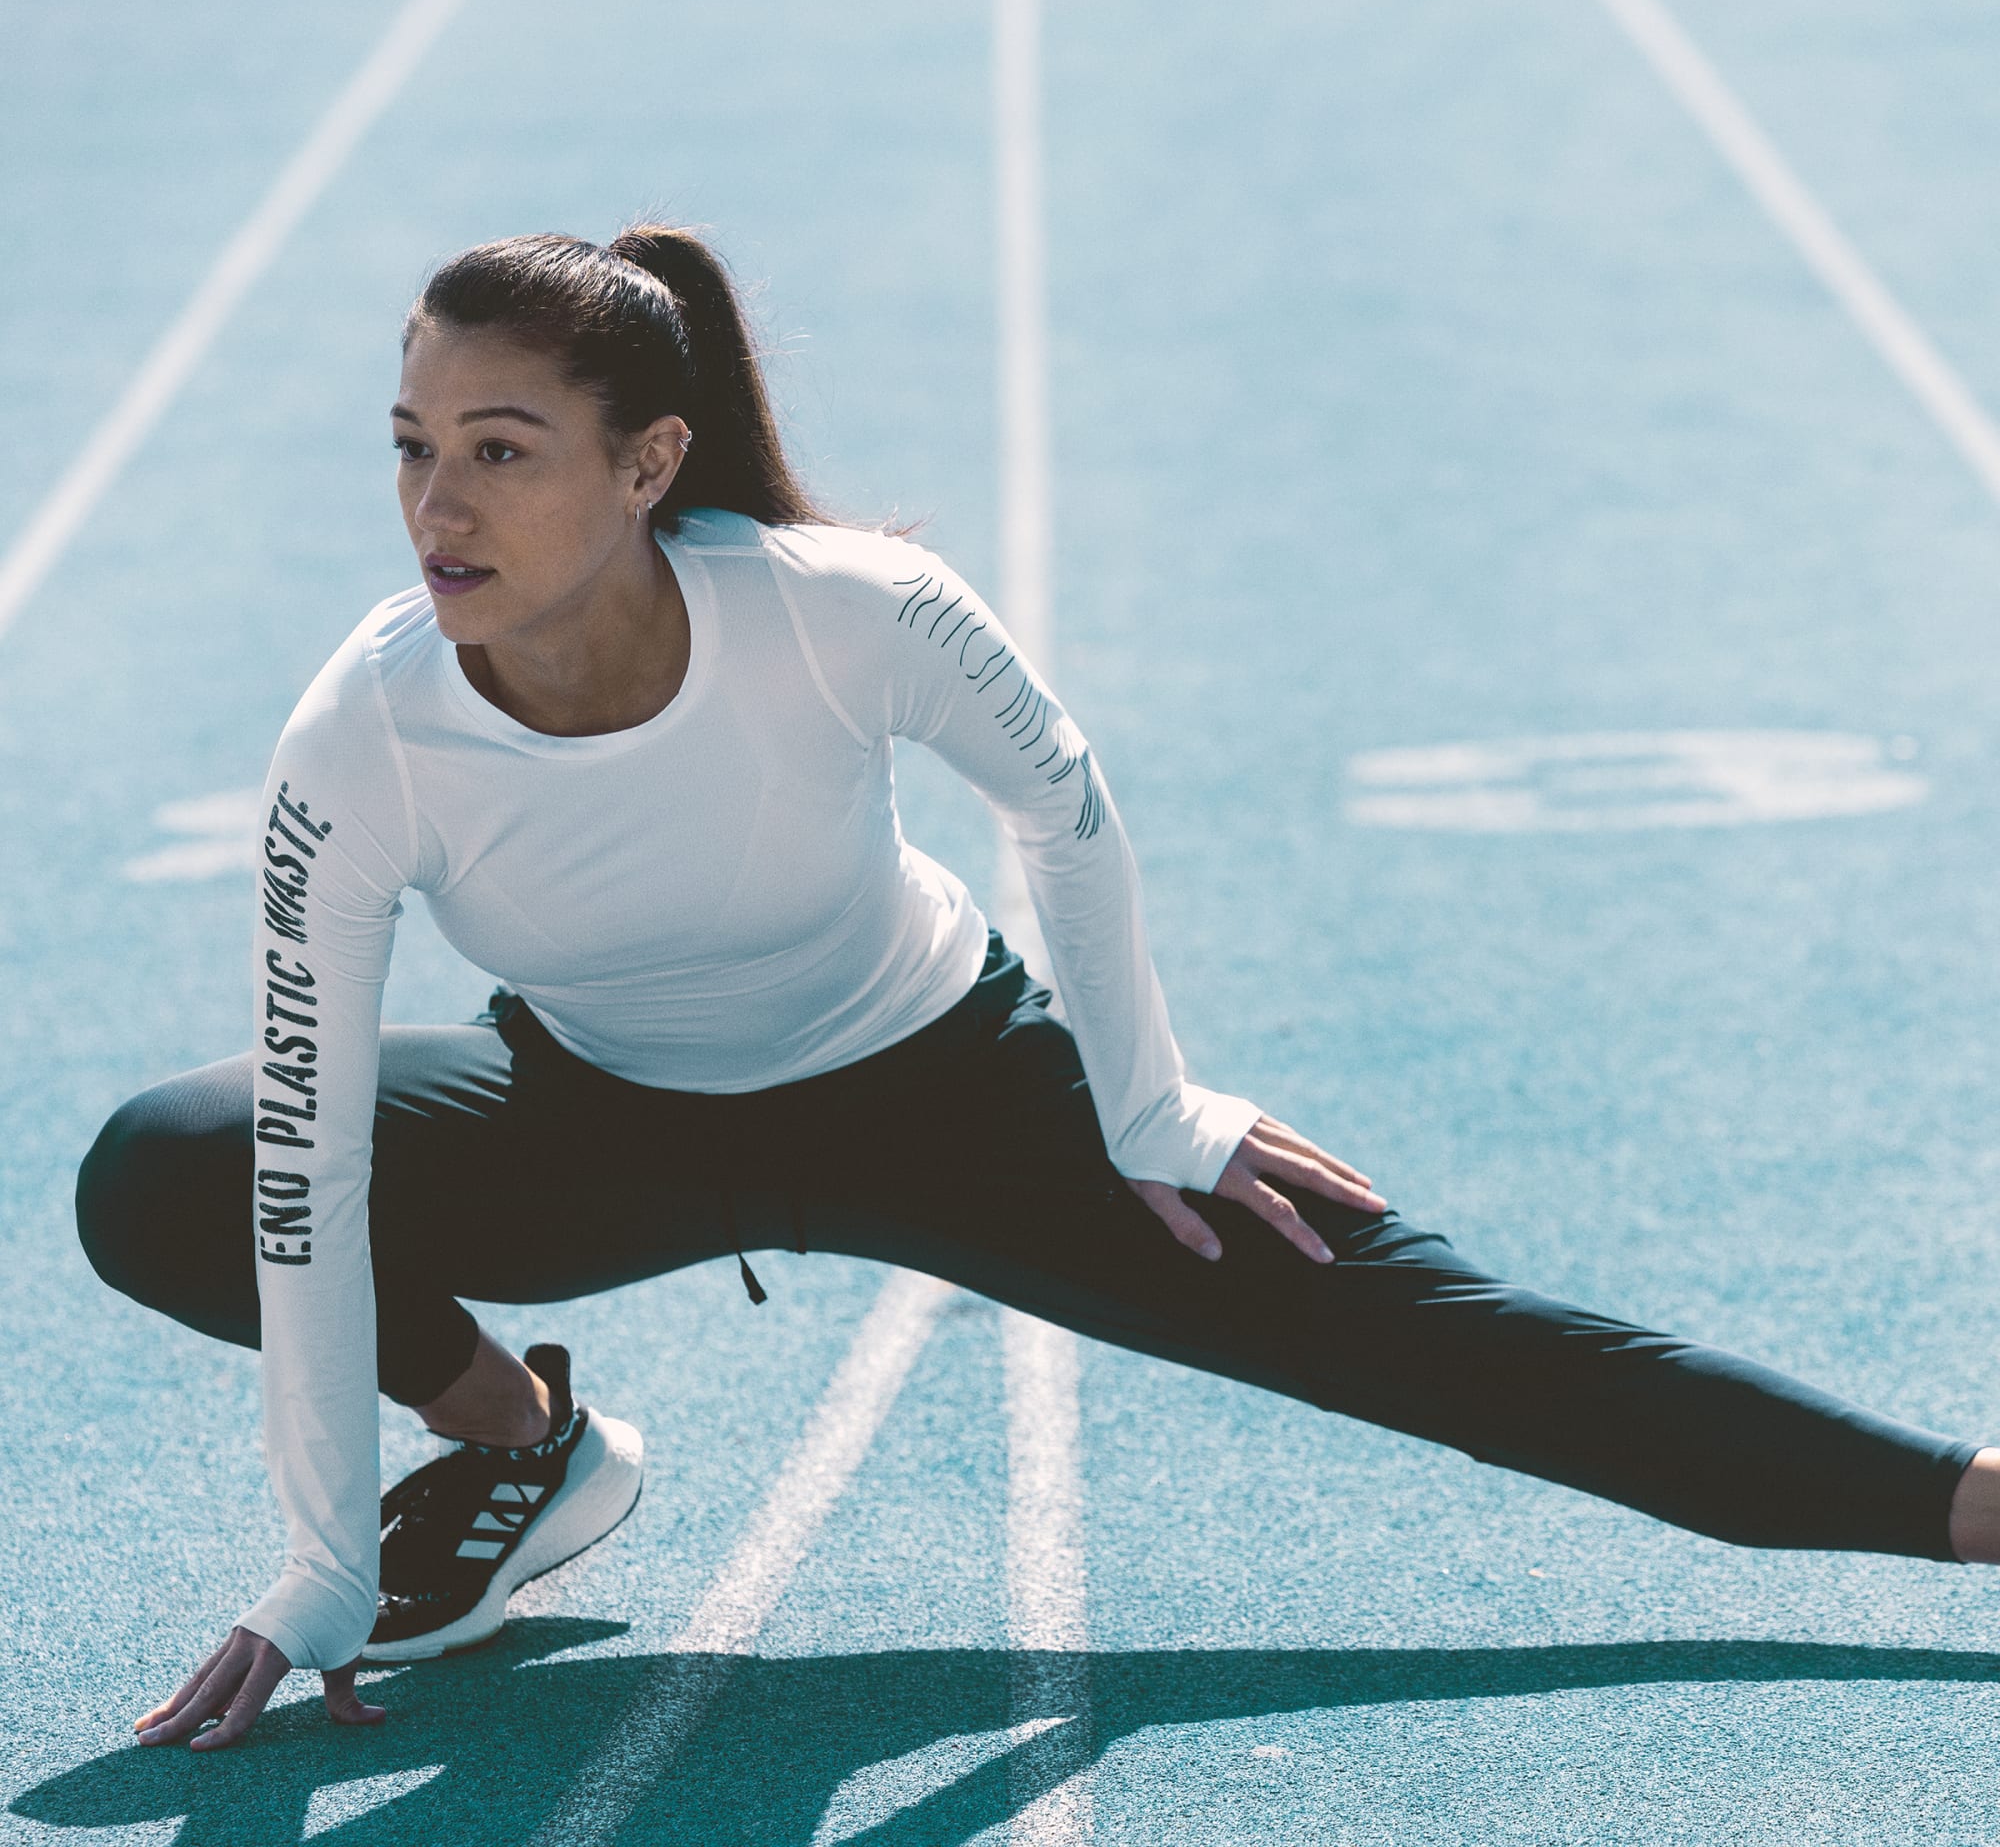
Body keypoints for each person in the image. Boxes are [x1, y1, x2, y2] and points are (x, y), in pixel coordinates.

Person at [75, 223, 2000, 1756]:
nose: (441, 508)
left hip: (946, 1093)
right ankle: (521, 1447)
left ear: (650, 464)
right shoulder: (364, 730)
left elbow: (1064, 809)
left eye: (502, 454)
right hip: (600, 1121)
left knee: (1439, 1332)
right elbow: (306, 1169)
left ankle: (1970, 1505)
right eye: (413, 449)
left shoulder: (841, 609)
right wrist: (322, 1564)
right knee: (170, 1164)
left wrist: (1150, 1107)